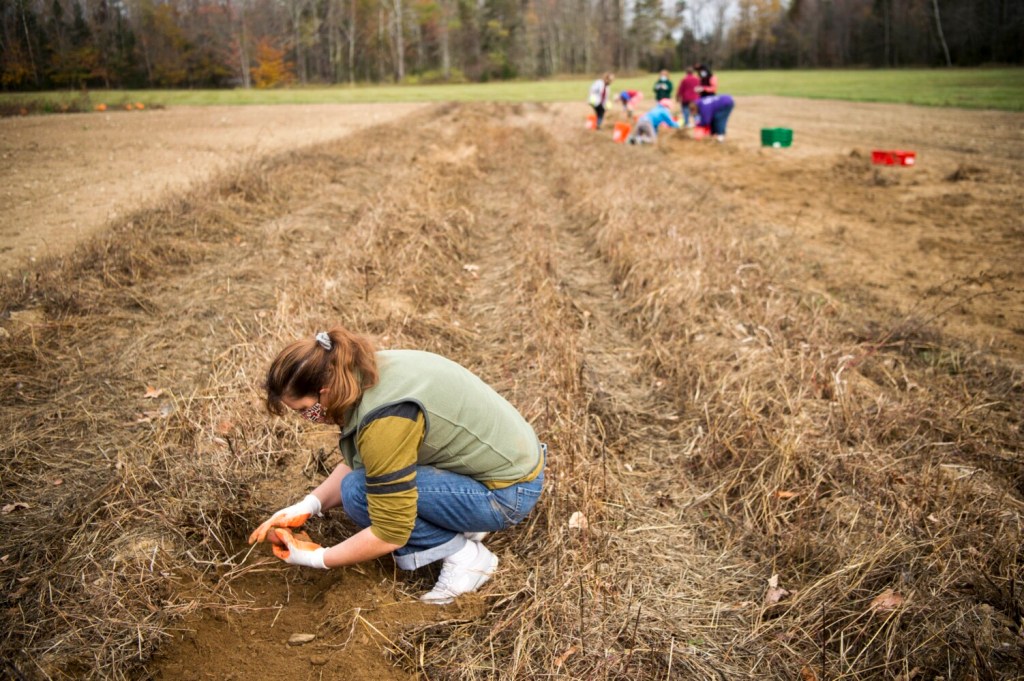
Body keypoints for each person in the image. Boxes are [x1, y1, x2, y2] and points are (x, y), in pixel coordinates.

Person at [249, 327, 545, 605]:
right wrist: (308, 505)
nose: (307, 418)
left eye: (304, 410)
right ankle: (461, 517)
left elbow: (391, 531)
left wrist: (317, 557)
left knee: (359, 494)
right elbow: (370, 460)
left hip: (509, 494)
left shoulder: (385, 418)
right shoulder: (360, 372)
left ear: (324, 391)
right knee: (364, 483)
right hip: (504, 465)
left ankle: (466, 557)